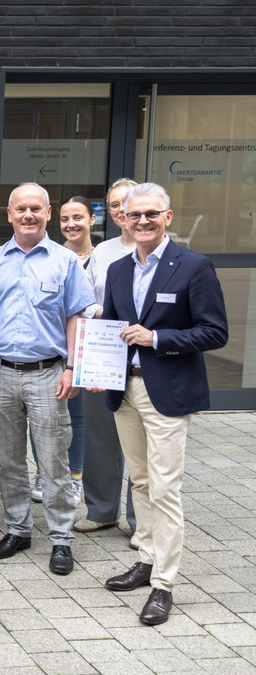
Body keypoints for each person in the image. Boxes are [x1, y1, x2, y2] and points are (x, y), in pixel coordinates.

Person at [97, 182, 227, 626]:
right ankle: (146, 559)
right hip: (125, 391)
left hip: (167, 392)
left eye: (152, 214)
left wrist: (157, 338)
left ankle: (164, 585)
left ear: (167, 217)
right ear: (124, 219)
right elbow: (112, 326)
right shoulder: (116, 269)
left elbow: (215, 332)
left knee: (165, 489)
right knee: (139, 483)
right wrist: (97, 369)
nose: (143, 222)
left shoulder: (193, 267)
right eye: (135, 215)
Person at [0, 182, 95, 576]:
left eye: (35, 209)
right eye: (20, 209)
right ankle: (18, 529)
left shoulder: (65, 261)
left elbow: (78, 316)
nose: (28, 215)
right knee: (8, 460)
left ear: (47, 212)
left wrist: (74, 366)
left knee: (53, 462)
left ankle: (61, 539)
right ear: (8, 215)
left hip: (49, 374)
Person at [76, 178, 141, 541]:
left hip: (145, 359)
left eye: (126, 203)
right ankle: (102, 510)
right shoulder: (103, 252)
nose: (121, 211)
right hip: (104, 353)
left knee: (140, 444)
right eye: (114, 205)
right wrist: (100, 311)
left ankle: (140, 522)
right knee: (100, 435)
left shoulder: (165, 251)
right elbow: (83, 297)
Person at [57, 196, 96, 504]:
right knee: (50, 412)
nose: (71, 224)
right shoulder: (54, 256)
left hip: (94, 348)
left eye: (78, 217)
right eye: (65, 219)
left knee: (78, 416)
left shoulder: (104, 257)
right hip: (57, 345)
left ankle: (76, 475)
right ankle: (45, 474)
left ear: (91, 220)